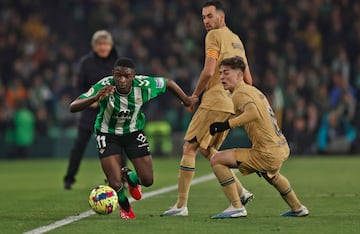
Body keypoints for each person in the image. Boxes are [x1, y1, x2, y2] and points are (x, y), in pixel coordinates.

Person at [69, 57, 193, 219]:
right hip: (107, 133)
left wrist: (185, 100)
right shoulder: (104, 85)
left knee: (147, 180)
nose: (122, 80)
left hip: (133, 133)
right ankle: (125, 207)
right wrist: (95, 97)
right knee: (114, 182)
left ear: (133, 76)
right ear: (113, 74)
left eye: (126, 76)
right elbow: (73, 106)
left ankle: (129, 176)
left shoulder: (144, 85)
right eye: (118, 75)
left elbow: (168, 83)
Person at [162, 0, 254, 217]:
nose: (206, 21)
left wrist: (194, 96)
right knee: (206, 150)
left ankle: (181, 205)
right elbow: (248, 79)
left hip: (214, 100)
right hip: (231, 104)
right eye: (203, 17)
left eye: (210, 16)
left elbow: (208, 70)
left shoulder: (213, 36)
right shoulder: (237, 40)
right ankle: (241, 193)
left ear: (221, 17)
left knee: (189, 148)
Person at [208, 56, 309, 218]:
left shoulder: (240, 93)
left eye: (226, 72)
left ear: (240, 75)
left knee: (217, 159)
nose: (221, 77)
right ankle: (298, 208)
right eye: (220, 73)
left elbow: (252, 113)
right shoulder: (253, 90)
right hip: (280, 147)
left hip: (266, 152)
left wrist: (226, 125)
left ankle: (236, 206)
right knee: (272, 176)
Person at [63, 30, 127, 190]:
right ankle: (69, 179)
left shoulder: (118, 61)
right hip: (91, 110)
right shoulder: (86, 62)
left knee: (119, 145)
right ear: (94, 46)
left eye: (106, 44)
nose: (103, 47)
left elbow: (126, 83)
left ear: (111, 45)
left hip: (112, 111)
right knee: (79, 145)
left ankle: (123, 178)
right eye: (100, 44)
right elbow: (79, 85)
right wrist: (87, 101)